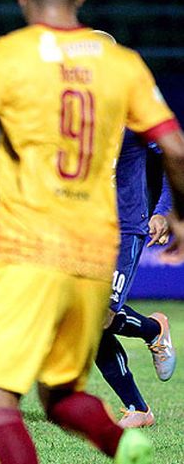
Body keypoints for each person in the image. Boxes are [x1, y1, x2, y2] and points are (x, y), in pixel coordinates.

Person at [0, 0, 184, 463]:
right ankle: (123, 442)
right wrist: (178, 215)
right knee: (60, 394)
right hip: (97, 247)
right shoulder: (124, 67)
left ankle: (130, 417)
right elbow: (176, 149)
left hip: (31, 247)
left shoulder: (8, 55)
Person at [97, 129, 176, 429]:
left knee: (101, 315)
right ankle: (138, 408)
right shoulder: (68, 107)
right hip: (83, 231)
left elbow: (174, 154)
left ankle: (154, 329)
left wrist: (165, 212)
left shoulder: (130, 108)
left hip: (125, 227)